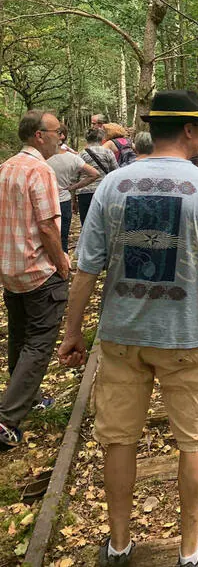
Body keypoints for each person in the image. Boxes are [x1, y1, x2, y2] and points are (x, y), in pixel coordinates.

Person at [58, 90, 198, 567]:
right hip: (186, 337)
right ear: (188, 131)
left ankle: (119, 545)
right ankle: (189, 552)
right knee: (193, 441)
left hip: (122, 337)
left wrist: (72, 332)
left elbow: (86, 269)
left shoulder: (112, 185)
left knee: (118, 439)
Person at [0, 110, 72, 450]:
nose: (61, 136)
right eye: (57, 131)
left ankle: (26, 399)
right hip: (38, 271)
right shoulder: (40, 170)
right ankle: (7, 418)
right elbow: (46, 225)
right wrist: (61, 264)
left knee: (20, 337)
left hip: (10, 270)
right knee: (40, 343)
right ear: (38, 135)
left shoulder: (6, 167)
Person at [47, 143, 99, 252]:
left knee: (44, 235)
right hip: (63, 200)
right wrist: (72, 188)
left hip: (45, 200)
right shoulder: (72, 158)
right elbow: (95, 174)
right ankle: (63, 265)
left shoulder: (41, 157)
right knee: (63, 236)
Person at [77, 128, 118, 224]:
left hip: (84, 192)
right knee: (103, 222)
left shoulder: (81, 154)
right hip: (104, 191)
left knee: (86, 222)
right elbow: (115, 171)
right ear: (102, 138)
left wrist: (74, 196)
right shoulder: (108, 152)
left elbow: (76, 175)